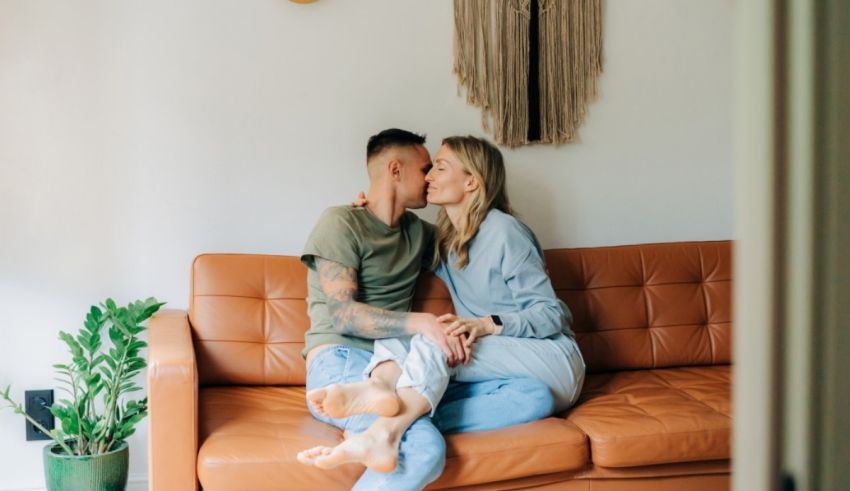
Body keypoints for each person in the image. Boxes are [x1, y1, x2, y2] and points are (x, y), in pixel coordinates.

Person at [298, 135, 585, 481]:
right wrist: (366, 213)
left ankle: (384, 426)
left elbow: (552, 310)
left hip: (541, 355)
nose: (430, 174)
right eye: (426, 168)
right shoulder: (386, 230)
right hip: (348, 358)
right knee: (515, 406)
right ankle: (390, 421)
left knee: (514, 384)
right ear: (394, 170)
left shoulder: (480, 233)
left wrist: (486, 322)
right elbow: (348, 307)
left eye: (438, 167)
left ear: (470, 181)